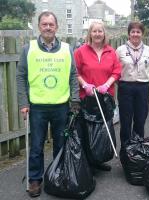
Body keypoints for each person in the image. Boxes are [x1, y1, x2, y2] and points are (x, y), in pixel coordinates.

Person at [16, 11, 80, 197]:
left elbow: (73, 75)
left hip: (61, 106)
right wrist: (23, 102)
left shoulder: (67, 49)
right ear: (39, 27)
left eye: (51, 24)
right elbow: (20, 77)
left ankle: (58, 176)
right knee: (36, 146)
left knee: (61, 145)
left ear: (57, 27)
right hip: (37, 107)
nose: (48, 27)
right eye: (44, 24)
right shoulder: (29, 49)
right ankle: (35, 179)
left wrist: (75, 100)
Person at [74, 21, 121, 170]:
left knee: (102, 131)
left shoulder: (111, 52)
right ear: (90, 34)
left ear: (104, 34)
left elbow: (117, 71)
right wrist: (85, 85)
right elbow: (75, 72)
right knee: (88, 131)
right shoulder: (81, 51)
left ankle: (98, 160)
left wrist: (107, 84)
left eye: (100, 31)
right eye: (94, 31)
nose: (97, 34)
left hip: (105, 96)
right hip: (88, 97)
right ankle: (88, 162)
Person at [116, 21, 149, 147]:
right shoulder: (120, 50)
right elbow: (115, 70)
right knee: (126, 120)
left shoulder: (148, 50)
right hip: (125, 88)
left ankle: (138, 149)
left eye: (138, 32)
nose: (135, 34)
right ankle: (125, 149)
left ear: (142, 34)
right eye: (132, 31)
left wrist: (144, 79)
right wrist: (122, 82)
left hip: (142, 88)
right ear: (129, 34)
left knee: (140, 119)